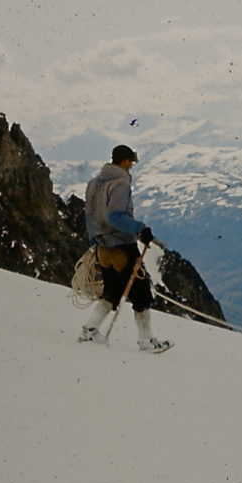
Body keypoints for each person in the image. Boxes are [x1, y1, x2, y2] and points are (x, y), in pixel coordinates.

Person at [78, 144, 171, 352]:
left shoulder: (94, 183)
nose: (131, 167)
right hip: (121, 246)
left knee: (111, 292)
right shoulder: (120, 184)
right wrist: (141, 229)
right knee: (142, 295)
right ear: (126, 161)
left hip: (102, 247)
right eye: (131, 162)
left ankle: (90, 330)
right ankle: (146, 342)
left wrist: (95, 239)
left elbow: (90, 215)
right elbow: (115, 216)